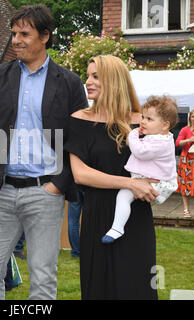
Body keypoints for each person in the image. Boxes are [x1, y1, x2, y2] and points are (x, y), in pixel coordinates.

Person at [0, 5, 88, 300]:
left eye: (24, 33)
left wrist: (58, 185)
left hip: (45, 193)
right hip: (0, 191)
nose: (16, 40)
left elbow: (79, 139)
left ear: (45, 36)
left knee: (43, 280)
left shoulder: (70, 83)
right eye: (13, 33)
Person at [66, 55, 158, 299]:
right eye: (88, 75)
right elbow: (80, 173)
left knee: (137, 286)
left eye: (96, 76)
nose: (88, 81)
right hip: (97, 215)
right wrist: (129, 183)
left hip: (136, 217)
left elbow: (160, 161)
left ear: (114, 80)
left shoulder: (141, 123)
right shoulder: (79, 120)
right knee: (100, 287)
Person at [102, 96, 178, 244]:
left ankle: (117, 228)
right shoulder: (158, 137)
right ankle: (118, 228)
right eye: (143, 117)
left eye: (149, 119)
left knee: (123, 196)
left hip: (157, 182)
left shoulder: (161, 143)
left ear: (164, 125)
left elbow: (140, 151)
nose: (142, 121)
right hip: (152, 179)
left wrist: (133, 134)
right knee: (124, 196)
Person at [176, 109, 194, 218]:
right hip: (187, 160)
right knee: (186, 185)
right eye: (193, 116)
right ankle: (186, 209)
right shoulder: (185, 130)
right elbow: (177, 143)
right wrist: (189, 140)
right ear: (190, 118)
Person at [67, 187, 83, 258]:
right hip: (90, 183)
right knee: (90, 218)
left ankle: (76, 252)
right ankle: (90, 249)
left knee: (73, 221)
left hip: (74, 186)